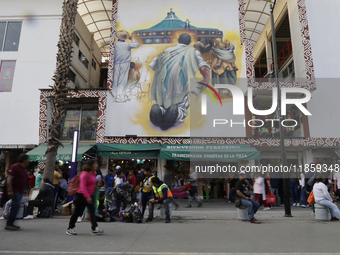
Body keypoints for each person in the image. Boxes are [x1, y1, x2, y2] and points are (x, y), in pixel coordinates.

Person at [149, 33, 210, 130]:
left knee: (164, 100)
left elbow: (153, 65)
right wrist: (206, 81)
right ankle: (177, 113)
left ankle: (161, 110)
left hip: (162, 82)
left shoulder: (166, 51)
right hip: (182, 82)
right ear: (189, 42)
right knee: (181, 102)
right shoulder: (193, 51)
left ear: (178, 40)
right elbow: (203, 68)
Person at [66, 160, 104, 236]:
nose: (96, 165)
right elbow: (83, 186)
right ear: (91, 165)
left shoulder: (92, 174)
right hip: (82, 195)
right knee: (77, 212)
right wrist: (87, 197)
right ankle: (70, 228)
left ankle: (94, 228)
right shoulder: (84, 174)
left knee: (92, 212)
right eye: (94, 164)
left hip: (90, 195)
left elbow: (91, 184)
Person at [113, 30, 140, 102]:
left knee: (115, 79)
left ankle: (114, 95)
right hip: (125, 63)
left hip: (116, 63)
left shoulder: (115, 44)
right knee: (122, 80)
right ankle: (120, 96)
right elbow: (137, 45)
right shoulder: (127, 45)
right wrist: (131, 39)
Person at [5, 154, 29, 231]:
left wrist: (24, 189)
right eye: (27, 159)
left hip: (20, 190)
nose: (28, 161)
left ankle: (10, 222)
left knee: (16, 206)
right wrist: (10, 190)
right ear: (24, 160)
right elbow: (9, 179)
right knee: (16, 205)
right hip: (15, 190)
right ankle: (9, 223)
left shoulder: (23, 169)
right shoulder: (15, 167)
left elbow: (23, 180)